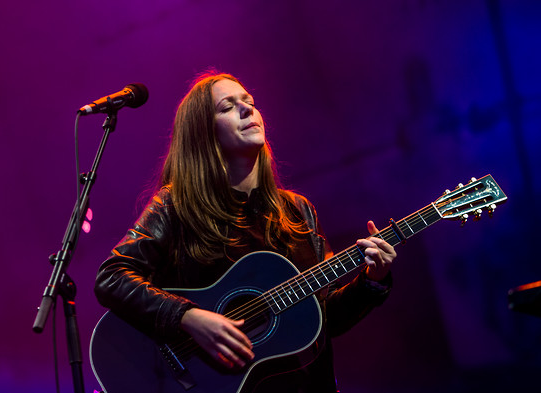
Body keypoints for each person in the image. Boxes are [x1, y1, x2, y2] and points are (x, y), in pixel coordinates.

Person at [93, 70, 397, 392]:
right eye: (227, 106)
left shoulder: (298, 211)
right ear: (203, 133)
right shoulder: (177, 205)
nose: (247, 109)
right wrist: (189, 317)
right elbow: (111, 277)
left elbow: (323, 320)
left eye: (249, 101)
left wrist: (371, 282)